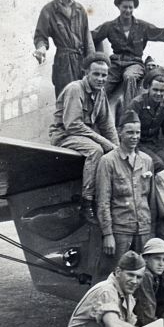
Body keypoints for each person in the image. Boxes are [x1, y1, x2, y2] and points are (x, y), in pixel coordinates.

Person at [91, 0, 164, 113]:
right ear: (118, 7)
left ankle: (129, 115)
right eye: (124, 7)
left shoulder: (142, 26)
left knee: (130, 77)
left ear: (134, 8)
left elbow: (163, 32)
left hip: (134, 63)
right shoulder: (109, 26)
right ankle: (92, 115)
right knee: (102, 83)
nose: (128, 10)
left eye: (130, 7)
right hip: (115, 63)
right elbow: (91, 37)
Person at [49, 52, 119, 223]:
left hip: (82, 135)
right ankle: (87, 203)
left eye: (104, 75)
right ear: (86, 73)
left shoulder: (100, 93)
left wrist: (118, 149)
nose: (101, 79)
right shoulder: (75, 89)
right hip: (64, 135)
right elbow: (73, 124)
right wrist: (105, 143)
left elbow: (107, 125)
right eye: (96, 74)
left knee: (112, 154)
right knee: (95, 150)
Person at [95, 110, 154, 267]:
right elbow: (103, 201)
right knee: (117, 273)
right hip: (120, 231)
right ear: (119, 132)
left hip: (144, 230)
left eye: (137, 132)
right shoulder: (108, 161)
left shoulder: (147, 161)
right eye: (130, 132)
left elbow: (151, 199)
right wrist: (108, 234)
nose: (135, 137)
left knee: (143, 274)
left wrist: (151, 230)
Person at [34, 0, 95, 98]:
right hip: (63, 65)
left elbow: (87, 38)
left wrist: (92, 62)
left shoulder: (79, 9)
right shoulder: (49, 10)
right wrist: (41, 49)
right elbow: (40, 36)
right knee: (66, 103)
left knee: (85, 102)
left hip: (81, 63)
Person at [128, 67, 164, 173]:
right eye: (155, 90)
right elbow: (128, 131)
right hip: (138, 145)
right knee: (158, 165)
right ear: (149, 88)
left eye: (162, 90)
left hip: (154, 145)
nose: (158, 94)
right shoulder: (137, 104)